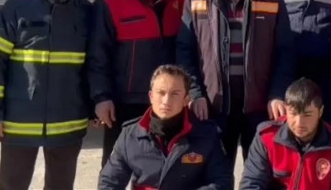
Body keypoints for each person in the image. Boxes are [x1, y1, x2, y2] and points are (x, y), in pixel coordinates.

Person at [0, 0, 93, 190]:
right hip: (19, 122)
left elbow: (95, 64)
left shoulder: (86, 12)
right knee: (11, 186)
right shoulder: (15, 7)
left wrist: (95, 104)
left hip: (68, 121)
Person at [176, 0, 295, 167]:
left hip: (260, 107)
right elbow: (185, 50)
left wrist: (277, 93)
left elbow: (285, 52)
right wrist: (195, 93)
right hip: (215, 106)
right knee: (217, 174)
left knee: (261, 175)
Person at [88, 0, 186, 167]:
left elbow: (187, 50)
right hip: (124, 102)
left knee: (162, 167)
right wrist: (101, 98)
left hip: (166, 100)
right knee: (115, 167)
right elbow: (97, 56)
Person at [98, 64, 233, 190]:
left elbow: (222, 182)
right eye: (161, 93)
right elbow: (109, 182)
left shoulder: (206, 134)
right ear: (151, 96)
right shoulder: (130, 135)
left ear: (186, 100)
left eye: (174, 94)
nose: (166, 101)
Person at [240, 77, 331, 190]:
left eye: (307, 115)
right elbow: (252, 183)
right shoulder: (266, 137)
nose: (299, 123)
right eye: (293, 113)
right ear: (286, 109)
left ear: (320, 112)